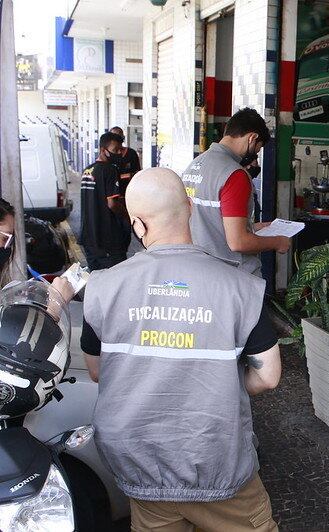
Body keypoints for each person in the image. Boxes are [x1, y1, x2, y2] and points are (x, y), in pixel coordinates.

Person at [81, 168, 281, 532]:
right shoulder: (240, 288)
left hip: (140, 465)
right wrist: (225, 380)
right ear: (189, 207)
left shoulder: (102, 288)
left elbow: (97, 370)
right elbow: (268, 375)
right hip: (218, 466)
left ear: (137, 225)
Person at [181, 107, 289, 276]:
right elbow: (238, 242)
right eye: (257, 149)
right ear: (252, 138)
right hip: (230, 278)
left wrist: (253, 228)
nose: (255, 156)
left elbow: (210, 222)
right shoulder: (234, 175)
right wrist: (278, 242)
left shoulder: (195, 165)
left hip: (198, 271)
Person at [80, 132, 131, 270]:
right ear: (103, 150)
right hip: (107, 238)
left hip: (89, 236)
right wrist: (128, 217)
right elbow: (112, 203)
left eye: (121, 150)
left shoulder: (87, 170)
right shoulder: (110, 170)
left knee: (96, 277)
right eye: (115, 150)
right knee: (115, 279)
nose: (119, 153)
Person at [109, 126, 141, 198]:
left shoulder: (131, 153)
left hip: (128, 192)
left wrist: (129, 175)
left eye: (120, 137)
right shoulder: (107, 154)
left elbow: (138, 173)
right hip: (111, 193)